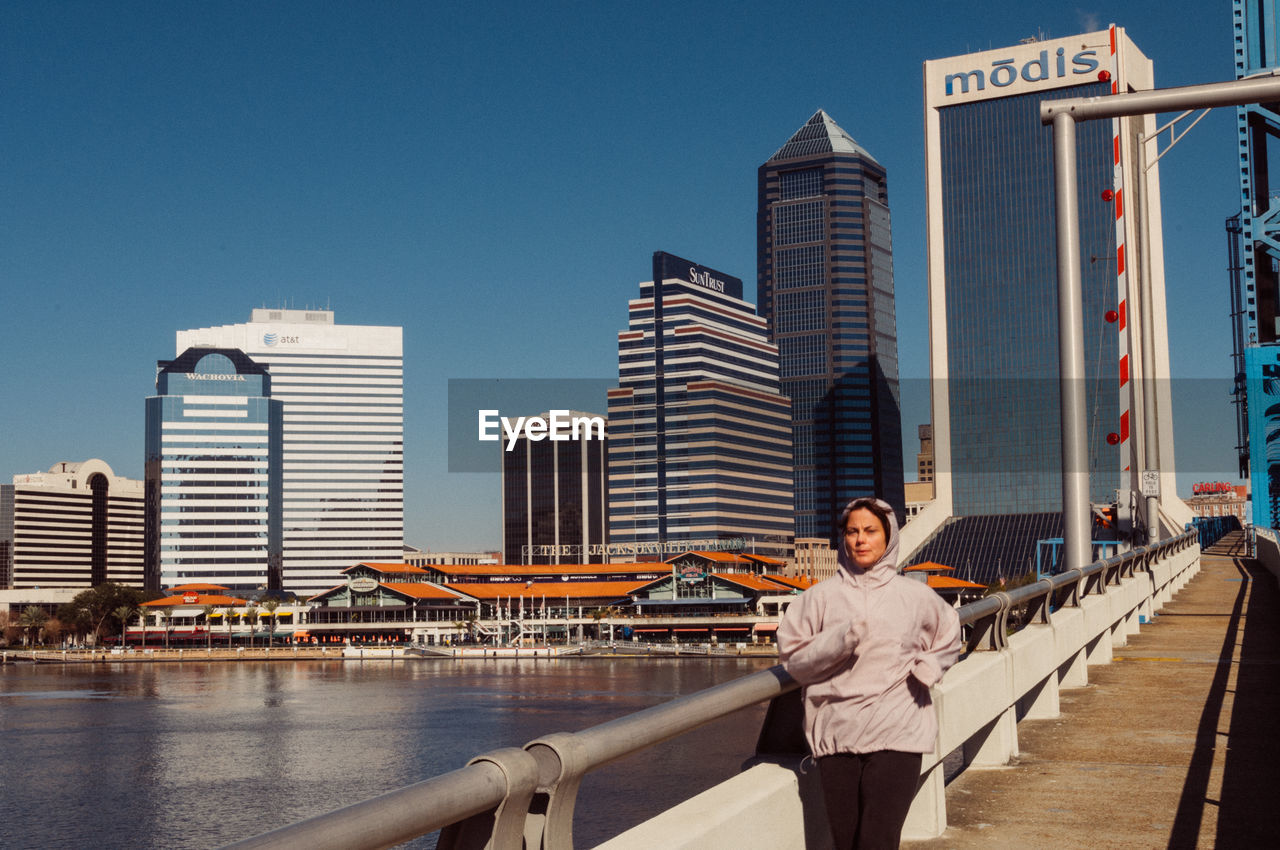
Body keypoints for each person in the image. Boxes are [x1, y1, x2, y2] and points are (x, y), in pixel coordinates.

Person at [778, 497, 961, 850]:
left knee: (877, 841)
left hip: (898, 733)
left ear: (888, 536)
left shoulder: (915, 596)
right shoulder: (817, 599)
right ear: (843, 539)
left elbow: (949, 632)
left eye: (870, 531)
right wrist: (839, 642)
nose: (861, 540)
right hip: (836, 735)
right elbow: (794, 660)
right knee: (847, 843)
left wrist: (927, 668)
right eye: (853, 532)